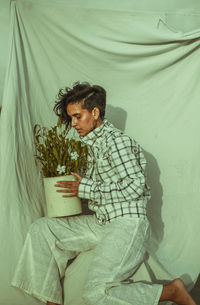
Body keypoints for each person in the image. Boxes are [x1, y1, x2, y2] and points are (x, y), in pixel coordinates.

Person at [12, 82, 196, 305]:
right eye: (71, 118)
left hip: (127, 225)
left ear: (95, 112)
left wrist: (85, 188)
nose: (74, 123)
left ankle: (170, 292)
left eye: (78, 116)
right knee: (42, 229)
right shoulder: (91, 146)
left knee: (95, 293)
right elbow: (103, 188)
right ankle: (52, 302)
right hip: (101, 223)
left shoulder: (116, 142)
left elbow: (136, 186)